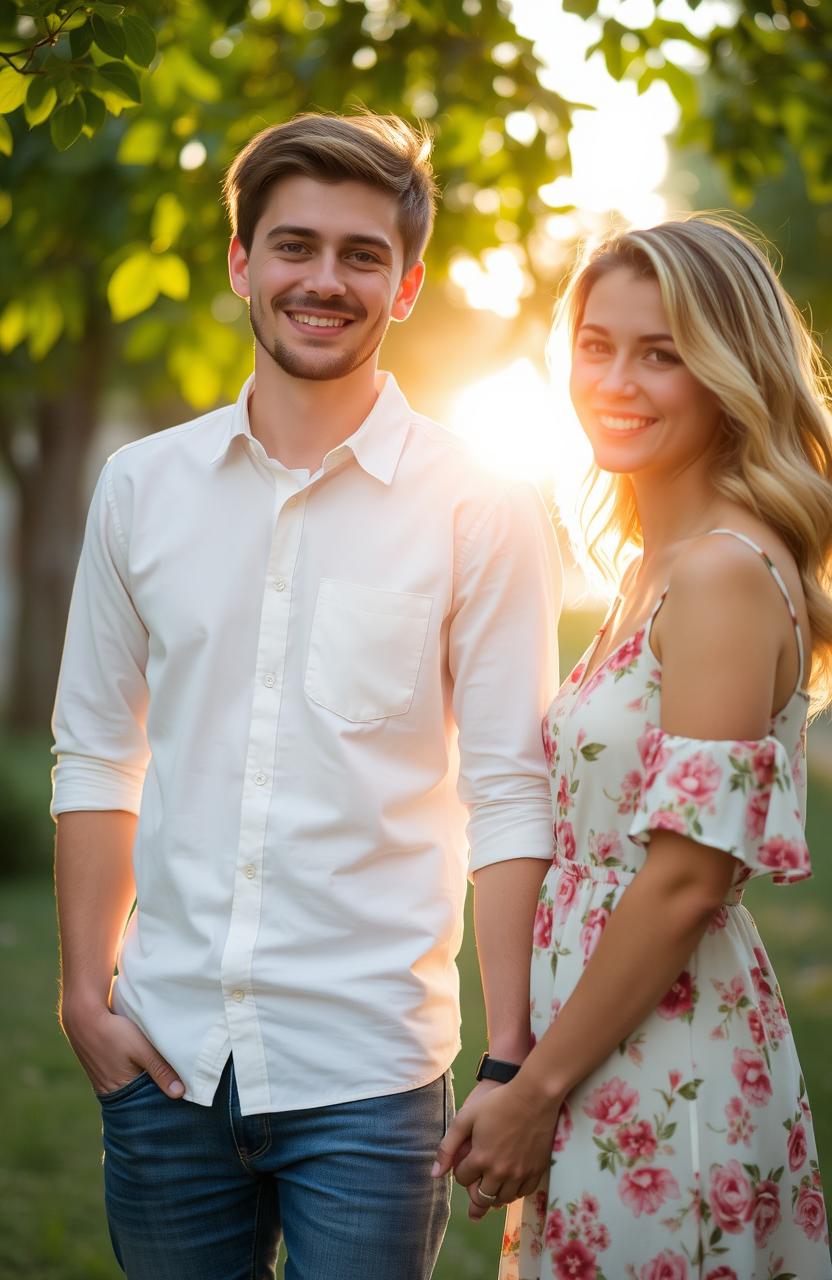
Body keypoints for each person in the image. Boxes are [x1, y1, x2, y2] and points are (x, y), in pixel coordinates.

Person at [50, 112, 562, 1280]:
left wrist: (508, 1054)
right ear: (239, 262)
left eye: (361, 254)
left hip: (370, 1079)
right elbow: (93, 749)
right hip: (162, 1055)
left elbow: (509, 792)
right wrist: (86, 993)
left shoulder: (479, 505)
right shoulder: (140, 486)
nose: (323, 280)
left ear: (408, 283)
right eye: (292, 245)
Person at [433, 215, 832, 1278]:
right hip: (598, 1039)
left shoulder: (721, 571)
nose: (616, 378)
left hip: (663, 1053)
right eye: (597, 344)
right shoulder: (653, 570)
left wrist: (535, 1089)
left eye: (662, 352)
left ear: (727, 371)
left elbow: (686, 873)